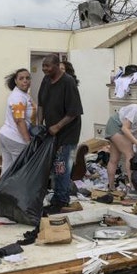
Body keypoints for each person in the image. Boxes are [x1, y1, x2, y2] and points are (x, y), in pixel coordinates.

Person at [37, 54, 83, 212]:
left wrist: (57, 126)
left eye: (47, 66)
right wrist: (39, 124)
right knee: (53, 166)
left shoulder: (68, 82)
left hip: (67, 133)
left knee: (61, 166)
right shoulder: (46, 80)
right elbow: (41, 104)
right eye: (43, 66)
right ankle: (56, 195)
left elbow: (74, 111)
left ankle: (62, 200)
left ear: (57, 65)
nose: (44, 69)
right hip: (51, 132)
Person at [0, 68, 35, 174]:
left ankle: (1, 190)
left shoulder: (24, 95)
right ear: (16, 81)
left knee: (7, 169)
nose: (25, 81)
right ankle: (15, 190)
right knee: (21, 172)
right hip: (16, 138)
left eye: (27, 78)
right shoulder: (18, 96)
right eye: (21, 78)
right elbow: (19, 120)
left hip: (8, 135)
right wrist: (28, 141)